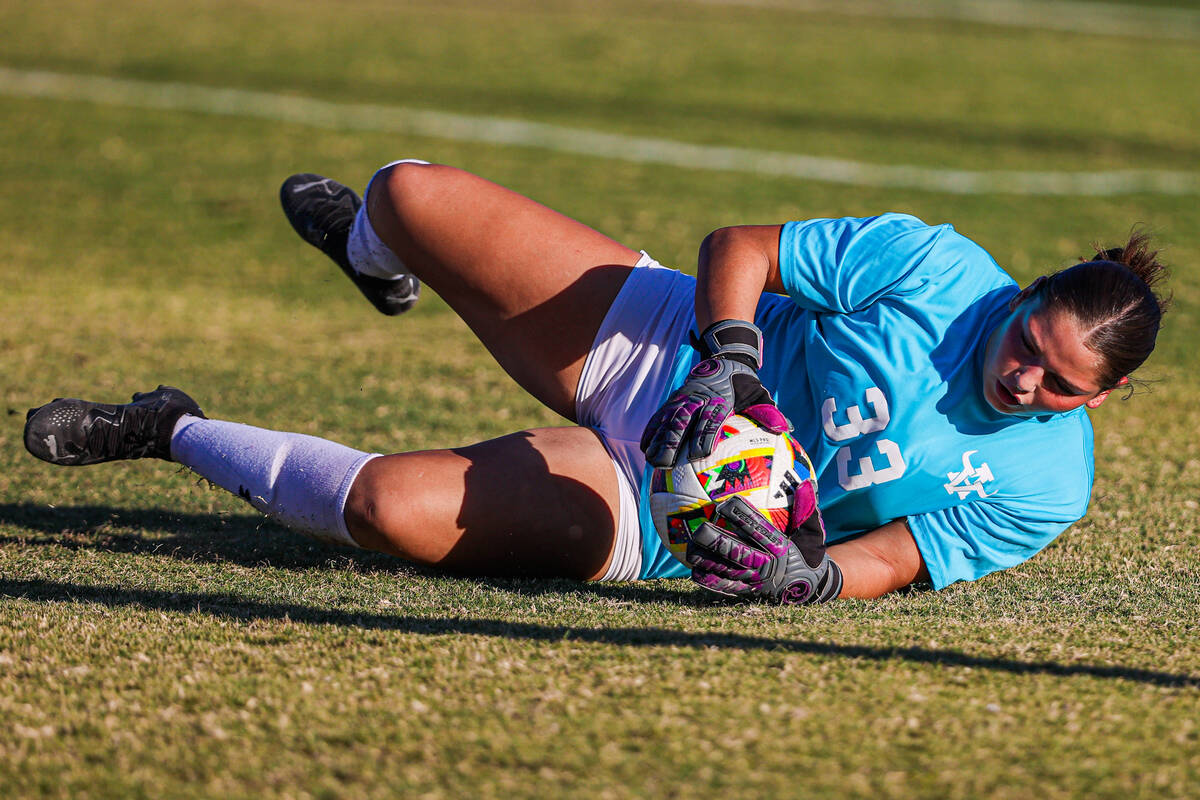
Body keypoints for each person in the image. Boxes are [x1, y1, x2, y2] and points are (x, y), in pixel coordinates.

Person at [23, 160, 1170, 603]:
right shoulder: (939, 267)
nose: (1023, 378)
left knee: (388, 509)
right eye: (1028, 340)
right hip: (670, 344)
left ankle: (169, 427)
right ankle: (378, 255)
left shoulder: (1046, 485)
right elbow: (745, 246)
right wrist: (731, 356)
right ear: (1022, 295)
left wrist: (804, 576)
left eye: (1058, 385)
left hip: (667, 506)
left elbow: (898, 557)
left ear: (1099, 401)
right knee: (409, 192)